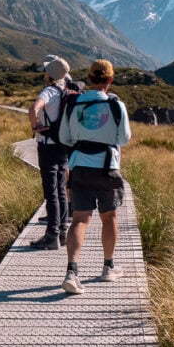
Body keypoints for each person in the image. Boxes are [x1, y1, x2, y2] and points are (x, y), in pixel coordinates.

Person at [58, 59, 131, 294]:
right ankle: (108, 267)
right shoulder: (116, 106)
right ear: (110, 80)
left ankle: (72, 272)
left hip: (79, 166)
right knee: (109, 217)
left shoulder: (73, 104)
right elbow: (124, 139)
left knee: (79, 219)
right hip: (107, 167)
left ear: (89, 79)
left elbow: (65, 137)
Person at [28, 55, 72, 249]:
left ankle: (51, 235)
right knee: (61, 188)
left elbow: (33, 109)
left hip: (47, 144)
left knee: (50, 190)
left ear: (50, 74)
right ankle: (62, 231)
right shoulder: (67, 91)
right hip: (63, 144)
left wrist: (35, 125)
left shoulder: (49, 91)